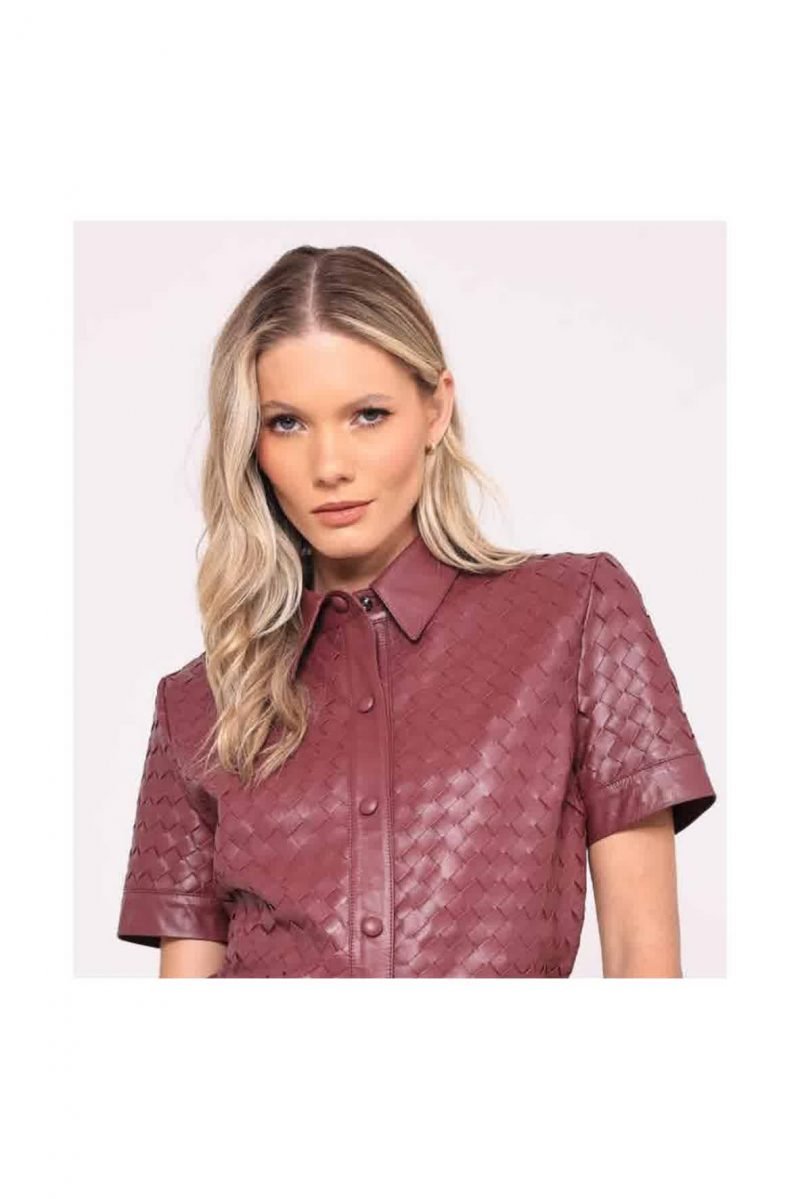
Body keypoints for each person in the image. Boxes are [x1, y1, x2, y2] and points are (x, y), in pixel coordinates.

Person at [116, 243, 717, 978]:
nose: (330, 466)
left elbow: (644, 965)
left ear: (436, 409)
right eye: (288, 423)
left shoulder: (578, 615)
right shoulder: (197, 704)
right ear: (251, 443)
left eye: (368, 415)